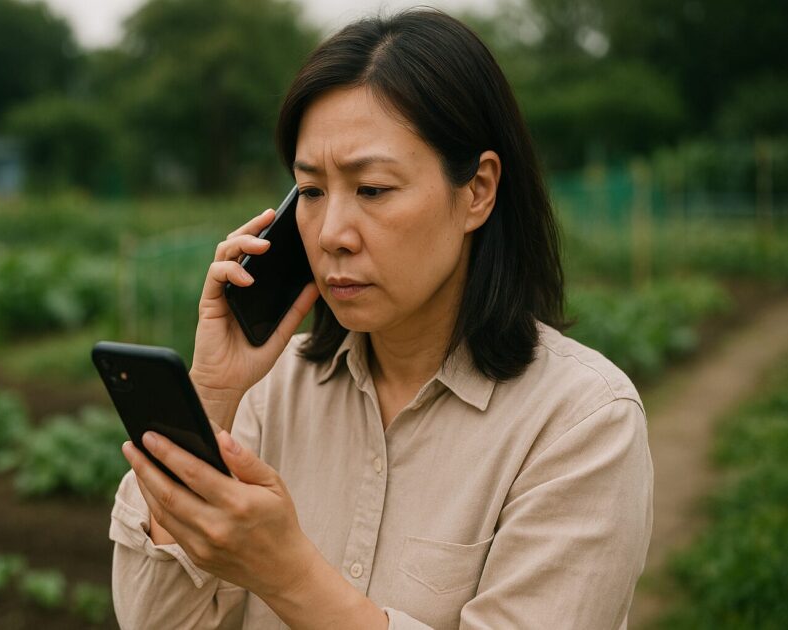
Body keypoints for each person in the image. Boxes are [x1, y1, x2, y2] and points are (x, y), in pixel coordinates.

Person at [109, 9, 653, 630]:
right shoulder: (265, 394)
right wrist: (208, 397)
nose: (333, 233)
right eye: (311, 192)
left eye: (371, 189)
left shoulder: (580, 423)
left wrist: (287, 575)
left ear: (477, 190)